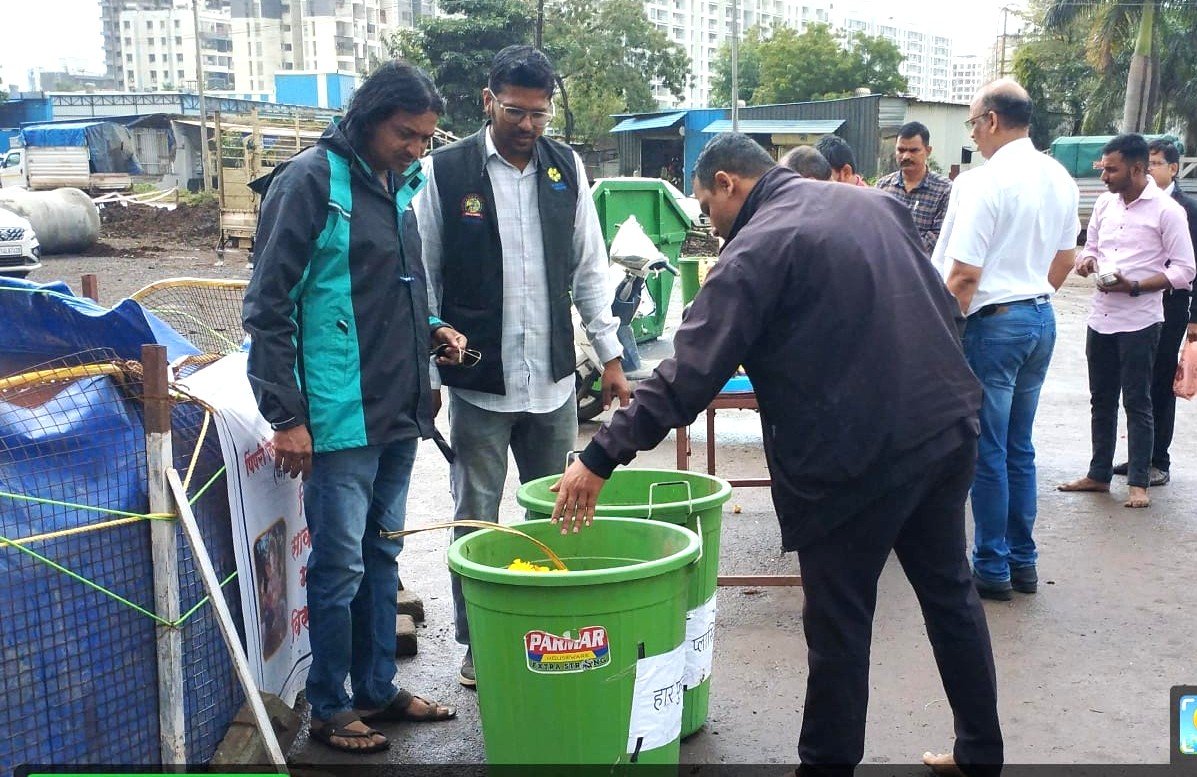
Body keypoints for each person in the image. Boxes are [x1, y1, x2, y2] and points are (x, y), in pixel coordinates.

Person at [551, 132, 1002, 777]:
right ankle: (981, 755)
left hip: (856, 459)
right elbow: (939, 307)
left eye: (707, 207)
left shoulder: (756, 247)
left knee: (840, 623)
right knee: (950, 594)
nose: (712, 224)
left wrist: (599, 455)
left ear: (728, 183)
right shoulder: (874, 204)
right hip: (945, 425)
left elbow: (687, 375)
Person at [242, 61, 462, 754]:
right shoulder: (310, 181)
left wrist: (433, 331)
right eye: (406, 134)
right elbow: (268, 306)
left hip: (397, 410)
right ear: (368, 119)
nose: (416, 149)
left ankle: (376, 688)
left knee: (382, 555)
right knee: (339, 566)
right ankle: (331, 705)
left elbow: (394, 286)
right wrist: (286, 416)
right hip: (338, 417)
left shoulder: (399, 182)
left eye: (425, 138)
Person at [413, 45, 630, 688]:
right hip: (479, 382)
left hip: (553, 382)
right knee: (476, 517)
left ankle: (549, 629)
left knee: (556, 512)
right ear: (488, 102)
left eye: (540, 114)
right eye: (515, 111)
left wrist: (611, 355)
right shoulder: (444, 172)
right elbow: (423, 279)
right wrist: (429, 376)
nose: (528, 125)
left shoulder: (567, 169)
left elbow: (590, 268)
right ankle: (478, 643)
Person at [933, 78, 1079, 602]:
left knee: (989, 451)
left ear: (992, 120)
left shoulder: (984, 182)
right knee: (1019, 447)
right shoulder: (1058, 176)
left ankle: (992, 566)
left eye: (973, 123)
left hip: (993, 326)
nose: (973, 134)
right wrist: (1029, 298)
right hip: (1038, 318)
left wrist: (941, 336)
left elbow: (963, 275)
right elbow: (1065, 259)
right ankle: (1022, 561)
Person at [1058, 133, 1196, 508]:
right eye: (1103, 169)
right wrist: (1086, 261)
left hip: (1141, 321)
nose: (1104, 177)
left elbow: (1185, 270)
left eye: (1111, 170)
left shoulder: (1168, 211)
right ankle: (1098, 474)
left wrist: (1134, 286)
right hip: (1100, 317)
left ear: (1136, 169)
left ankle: (1138, 484)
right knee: (1101, 399)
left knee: (1137, 401)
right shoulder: (1105, 204)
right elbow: (1091, 246)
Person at [1107, 138, 1197, 484]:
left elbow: (1192, 267)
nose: (1149, 169)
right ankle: (1139, 458)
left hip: (1170, 306)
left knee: (1159, 382)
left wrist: (1195, 318)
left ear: (1173, 168)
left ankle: (1159, 460)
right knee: (1135, 384)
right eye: (1148, 163)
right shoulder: (1127, 204)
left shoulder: (1185, 208)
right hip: (1130, 307)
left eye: (1156, 163)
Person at [875, 121, 952, 254]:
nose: (906, 156)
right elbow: (875, 228)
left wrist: (899, 251)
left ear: (928, 151)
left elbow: (939, 238)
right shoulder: (883, 187)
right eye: (901, 150)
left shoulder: (944, 190)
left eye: (913, 150)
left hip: (924, 265)